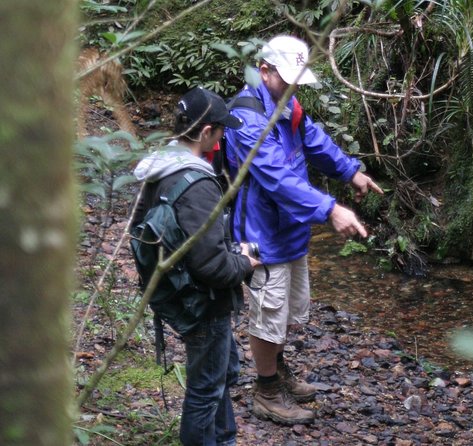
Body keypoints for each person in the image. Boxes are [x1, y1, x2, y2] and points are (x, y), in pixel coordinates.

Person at [224, 35, 384, 425]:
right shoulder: (246, 120)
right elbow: (278, 179)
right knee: (268, 314)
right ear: (264, 71)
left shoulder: (287, 103)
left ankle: (277, 371)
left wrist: (350, 171)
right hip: (261, 235)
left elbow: (313, 140)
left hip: (292, 228)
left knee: (289, 312)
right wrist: (330, 209)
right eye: (287, 78)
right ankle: (266, 392)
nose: (294, 87)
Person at [132, 86, 261, 445]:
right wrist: (245, 262)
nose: (222, 138)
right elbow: (213, 267)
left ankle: (225, 439)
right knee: (205, 390)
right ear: (206, 133)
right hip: (201, 302)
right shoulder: (198, 183)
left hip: (173, 292)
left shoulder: (158, 167)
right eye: (221, 130)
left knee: (221, 374)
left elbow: (141, 230)